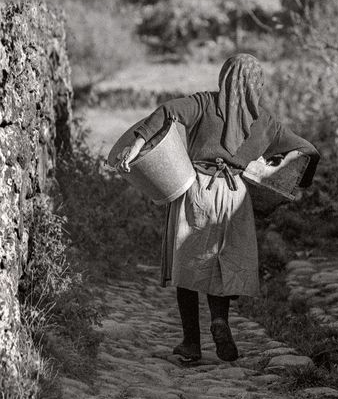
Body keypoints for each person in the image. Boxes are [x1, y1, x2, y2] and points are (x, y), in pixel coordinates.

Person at [119, 54, 319, 363]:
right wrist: (285, 176)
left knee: (187, 269)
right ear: (256, 85)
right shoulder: (265, 123)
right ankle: (220, 321)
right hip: (235, 196)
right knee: (221, 264)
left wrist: (136, 146)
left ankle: (191, 344)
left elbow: (167, 111)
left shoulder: (204, 104)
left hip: (196, 192)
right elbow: (306, 150)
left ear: (224, 77)